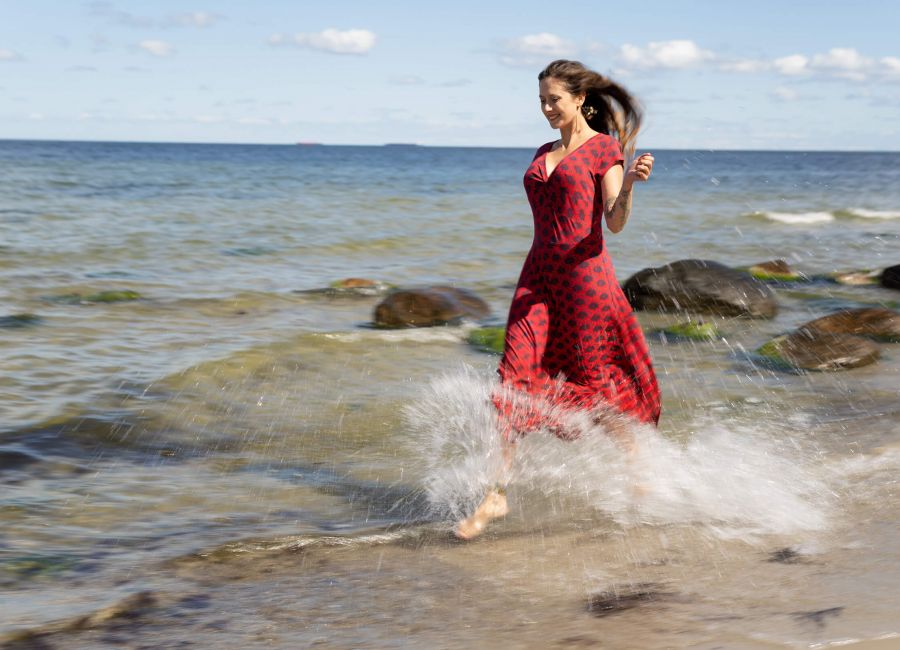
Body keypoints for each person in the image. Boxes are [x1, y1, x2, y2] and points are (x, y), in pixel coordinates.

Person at [455, 59, 661, 540]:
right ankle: (495, 494)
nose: (547, 108)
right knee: (511, 381)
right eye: (542, 101)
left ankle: (639, 468)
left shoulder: (604, 149)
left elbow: (614, 220)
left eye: (555, 100)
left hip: (585, 283)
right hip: (537, 279)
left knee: (593, 384)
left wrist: (628, 184)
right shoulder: (544, 150)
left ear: (580, 100)